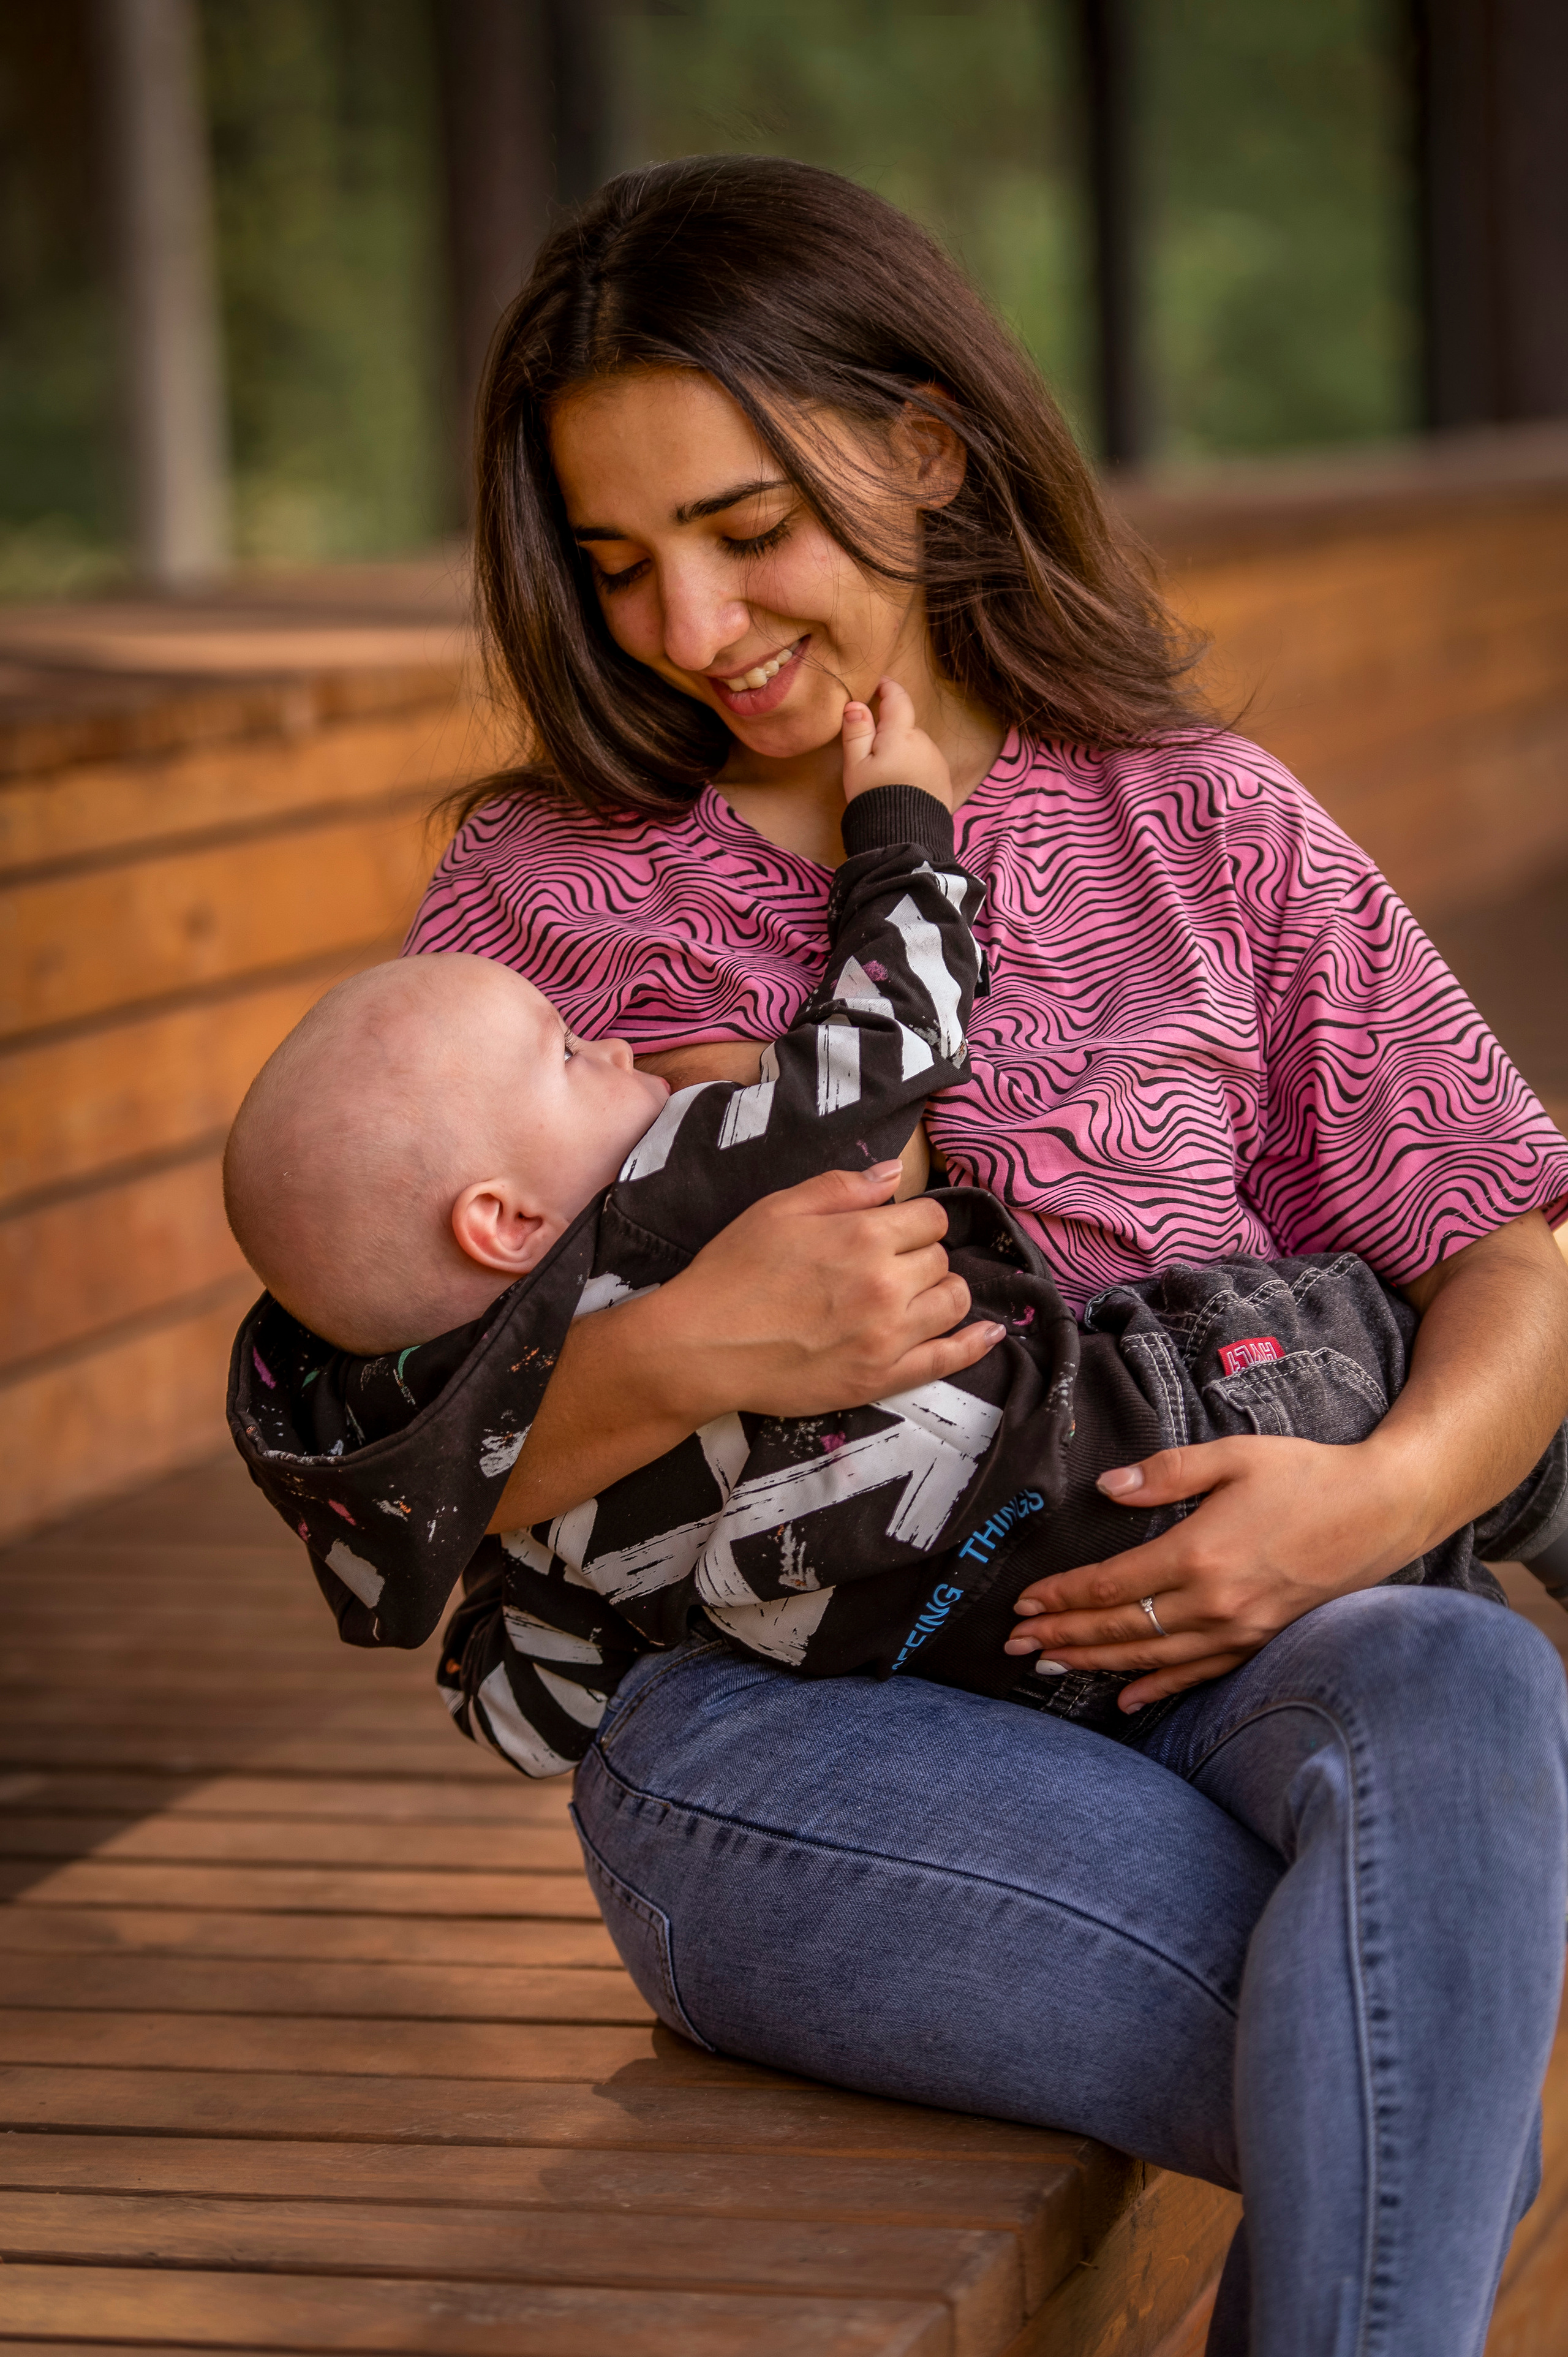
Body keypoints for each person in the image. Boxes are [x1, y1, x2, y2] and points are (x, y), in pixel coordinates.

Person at [259, 156, 1568, 2353]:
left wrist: (1380, 1495)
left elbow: (1507, 1238)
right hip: (781, 1747)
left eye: (744, 531)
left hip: (1243, 1655)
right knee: (1441, 2100)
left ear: (929, 451)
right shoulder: (541, 897)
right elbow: (390, 1444)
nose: (685, 628)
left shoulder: (1206, 816)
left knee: (1471, 1675)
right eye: (619, 563)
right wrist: (684, 1352)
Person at [228, 694, 1566, 1761]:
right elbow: (884, 1052)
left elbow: (521, 1693)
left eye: (749, 531)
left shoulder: (1200, 805)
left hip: (991, 1631)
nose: (618, 1056)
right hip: (1136, 1431)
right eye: (574, 1053)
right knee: (1361, 1373)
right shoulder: (665, 1173)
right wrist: (904, 841)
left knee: (1428, 1649)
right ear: (500, 1216)